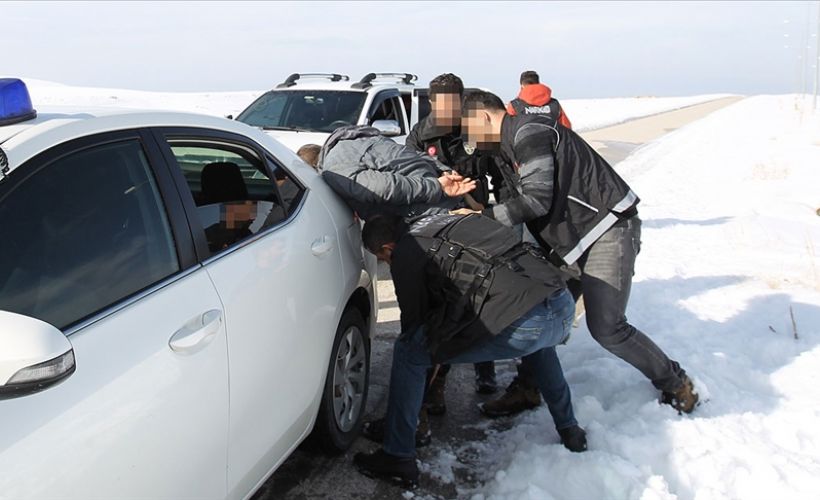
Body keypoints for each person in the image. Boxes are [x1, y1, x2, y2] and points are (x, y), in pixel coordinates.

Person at [459, 90, 699, 416]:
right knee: (539, 311)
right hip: (571, 242)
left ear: (484, 117)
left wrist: (482, 219)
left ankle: (676, 383)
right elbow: (515, 200)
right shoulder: (505, 146)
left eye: (469, 128)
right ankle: (528, 389)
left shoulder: (529, 133)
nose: (470, 138)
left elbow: (536, 200)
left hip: (605, 230)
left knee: (607, 327)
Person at [353, 213, 587, 487]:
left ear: (387, 248)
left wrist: (433, 356)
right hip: (560, 304)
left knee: (409, 353)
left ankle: (398, 457)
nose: (385, 263)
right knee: (540, 348)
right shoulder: (443, 220)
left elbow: (414, 323)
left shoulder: (407, 251)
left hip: (527, 324)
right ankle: (570, 428)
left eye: (382, 258)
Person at [405, 73, 501, 403]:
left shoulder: (475, 128)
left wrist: (498, 213)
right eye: (440, 105)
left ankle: (485, 369)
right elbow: (408, 173)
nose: (446, 111)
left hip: (476, 214)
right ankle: (437, 383)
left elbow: (497, 170)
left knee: (481, 292)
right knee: (444, 299)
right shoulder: (421, 134)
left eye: (452, 105)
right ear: (431, 103)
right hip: (439, 220)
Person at [318, 125, 476, 221]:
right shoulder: (360, 140)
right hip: (452, 199)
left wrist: (436, 186)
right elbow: (414, 155)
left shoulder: (333, 167)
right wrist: (445, 171)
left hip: (436, 214)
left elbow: (383, 187)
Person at [506, 70, 572, 129]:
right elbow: (566, 127)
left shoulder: (514, 105)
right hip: (551, 141)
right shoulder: (554, 104)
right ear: (538, 83)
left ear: (522, 85)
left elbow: (507, 129)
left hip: (523, 141)